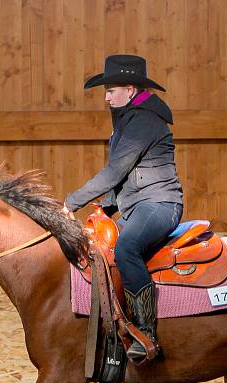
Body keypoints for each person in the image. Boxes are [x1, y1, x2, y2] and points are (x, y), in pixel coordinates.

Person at [63, 54, 183, 363]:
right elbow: (127, 179)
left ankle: (147, 333)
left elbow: (114, 172)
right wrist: (105, 208)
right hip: (139, 205)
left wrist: (71, 203)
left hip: (160, 205)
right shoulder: (129, 120)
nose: (105, 97)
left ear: (129, 90)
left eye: (110, 90)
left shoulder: (143, 122)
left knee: (127, 248)